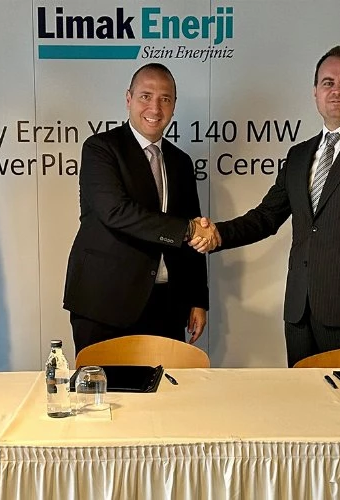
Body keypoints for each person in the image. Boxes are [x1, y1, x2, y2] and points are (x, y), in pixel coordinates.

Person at [192, 46, 340, 367]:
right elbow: (265, 217)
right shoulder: (299, 155)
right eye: (328, 83)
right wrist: (216, 234)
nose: (337, 90)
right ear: (315, 92)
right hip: (299, 312)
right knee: (302, 395)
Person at [63, 63, 217, 355]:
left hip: (166, 304)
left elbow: (192, 234)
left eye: (165, 99)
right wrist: (188, 229)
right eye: (146, 96)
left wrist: (198, 299)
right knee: (103, 385)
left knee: (164, 384)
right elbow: (116, 212)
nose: (155, 108)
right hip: (104, 302)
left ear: (174, 105)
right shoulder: (100, 148)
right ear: (128, 99)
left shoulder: (181, 162)